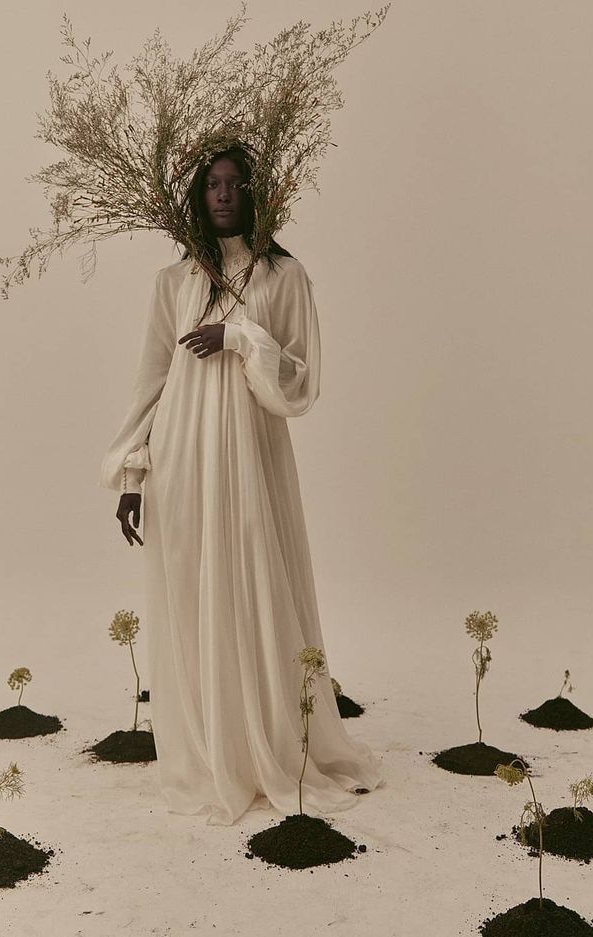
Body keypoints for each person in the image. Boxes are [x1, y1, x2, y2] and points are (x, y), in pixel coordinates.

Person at [99, 145, 382, 825]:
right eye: (212, 185)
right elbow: (151, 379)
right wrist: (133, 474)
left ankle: (271, 741)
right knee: (197, 584)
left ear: (257, 194)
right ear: (196, 196)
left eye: (234, 184)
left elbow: (300, 377)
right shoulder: (174, 281)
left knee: (256, 577)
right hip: (183, 453)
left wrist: (240, 335)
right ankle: (211, 742)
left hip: (252, 455)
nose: (222, 194)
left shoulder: (284, 276)